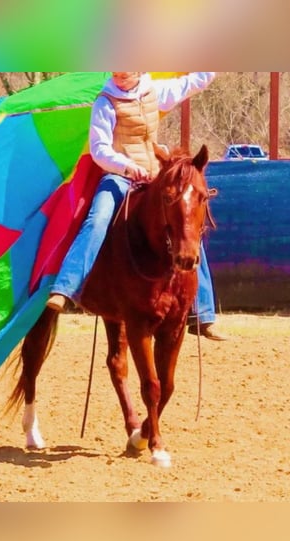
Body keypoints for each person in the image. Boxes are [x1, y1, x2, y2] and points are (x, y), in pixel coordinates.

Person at [46, 71, 227, 341]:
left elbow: (192, 82)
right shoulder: (105, 102)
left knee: (187, 229)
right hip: (118, 176)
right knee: (98, 219)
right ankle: (65, 287)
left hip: (154, 174)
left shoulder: (155, 91)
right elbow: (99, 149)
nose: (119, 73)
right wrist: (127, 167)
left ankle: (201, 312)